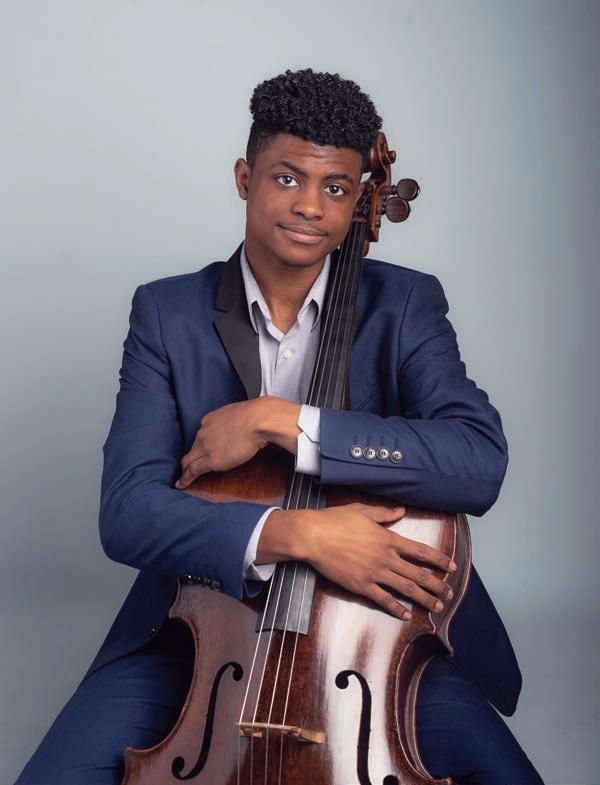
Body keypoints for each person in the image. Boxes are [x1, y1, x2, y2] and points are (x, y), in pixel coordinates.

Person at [15, 68, 544, 785]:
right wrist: (299, 534)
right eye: (287, 178)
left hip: (375, 633)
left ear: (359, 199)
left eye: (337, 188)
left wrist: (281, 421)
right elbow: (128, 511)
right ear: (244, 177)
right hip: (204, 626)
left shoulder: (405, 304)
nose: (311, 207)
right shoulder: (167, 314)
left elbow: (477, 461)